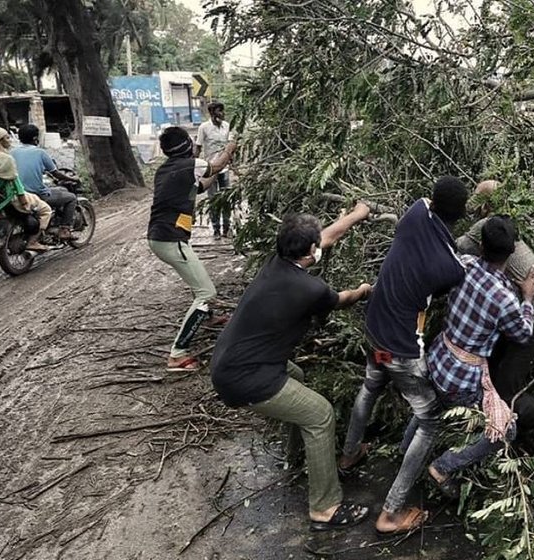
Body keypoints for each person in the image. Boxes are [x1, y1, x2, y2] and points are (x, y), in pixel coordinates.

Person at [211, 213, 373, 530]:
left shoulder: (277, 262)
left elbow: (325, 237)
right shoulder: (311, 289)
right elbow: (343, 299)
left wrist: (356, 214)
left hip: (231, 361)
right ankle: (325, 508)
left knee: (296, 376)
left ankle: (296, 455)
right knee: (320, 414)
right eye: (316, 247)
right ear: (310, 252)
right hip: (247, 377)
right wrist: (364, 290)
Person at [339, 176, 469, 534]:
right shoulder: (452, 269)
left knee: (370, 387)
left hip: (376, 336)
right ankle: (392, 512)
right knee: (429, 420)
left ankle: (349, 454)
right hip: (402, 353)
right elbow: (445, 278)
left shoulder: (414, 213)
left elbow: (429, 206)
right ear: (463, 214)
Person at [425, 216, 534, 495]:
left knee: (428, 409)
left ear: (481, 245)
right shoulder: (504, 298)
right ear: (512, 252)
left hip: (437, 359)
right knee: (505, 430)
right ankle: (443, 466)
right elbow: (523, 334)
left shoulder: (463, 264)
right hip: (462, 380)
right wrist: (527, 299)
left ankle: (409, 450)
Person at [457, 181, 534, 447]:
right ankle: (507, 427)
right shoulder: (508, 226)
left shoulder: (484, 228)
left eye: (476, 200)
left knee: (507, 387)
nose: (473, 207)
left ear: (486, 205)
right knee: (496, 374)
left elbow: (455, 249)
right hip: (526, 314)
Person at [148, 126, 236, 372]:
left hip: (162, 236)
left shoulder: (167, 169)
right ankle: (177, 354)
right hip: (170, 238)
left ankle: (206, 318)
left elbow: (200, 186)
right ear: (187, 145)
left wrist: (220, 163)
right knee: (206, 293)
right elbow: (215, 167)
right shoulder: (190, 164)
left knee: (198, 282)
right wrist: (230, 147)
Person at [0, 125, 52, 251]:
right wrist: (24, 202)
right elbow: (17, 184)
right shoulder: (5, 159)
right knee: (46, 210)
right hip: (9, 197)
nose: (9, 140)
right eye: (5, 138)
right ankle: (33, 241)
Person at [12, 124, 80, 240]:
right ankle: (64, 229)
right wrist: (73, 179)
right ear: (35, 138)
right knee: (71, 197)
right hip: (36, 195)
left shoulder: (11, 152)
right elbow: (56, 173)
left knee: (60, 190)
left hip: (17, 194)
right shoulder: (40, 152)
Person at [195, 101, 234, 238]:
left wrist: (232, 160)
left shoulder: (227, 126)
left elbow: (230, 145)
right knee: (213, 199)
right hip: (209, 169)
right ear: (212, 113)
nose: (222, 114)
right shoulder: (204, 128)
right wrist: (194, 166)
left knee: (226, 198)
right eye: (219, 111)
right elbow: (198, 147)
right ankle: (216, 228)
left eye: (223, 111)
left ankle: (227, 227)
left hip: (224, 168)